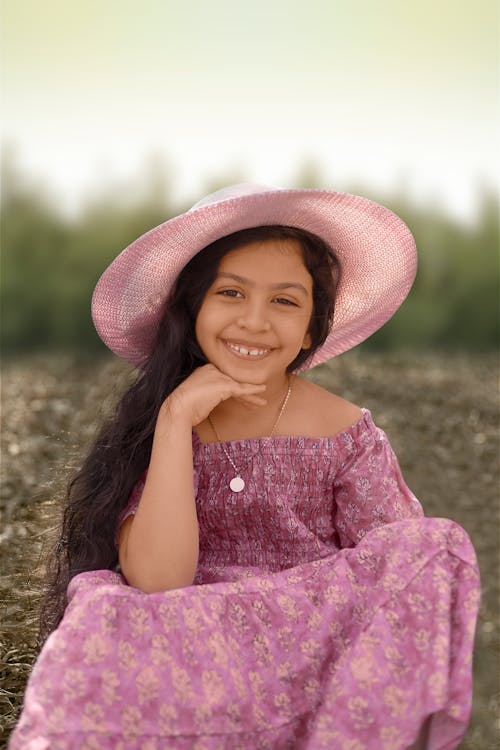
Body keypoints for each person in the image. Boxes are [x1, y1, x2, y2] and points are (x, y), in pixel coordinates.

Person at [10, 183, 480, 749]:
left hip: (309, 655)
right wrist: (176, 418)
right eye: (231, 293)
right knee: (100, 609)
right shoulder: (161, 421)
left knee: (432, 544)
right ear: (192, 308)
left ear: (311, 328)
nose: (255, 322)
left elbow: (400, 580)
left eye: (285, 301)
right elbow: (159, 581)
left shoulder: (345, 435)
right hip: (195, 654)